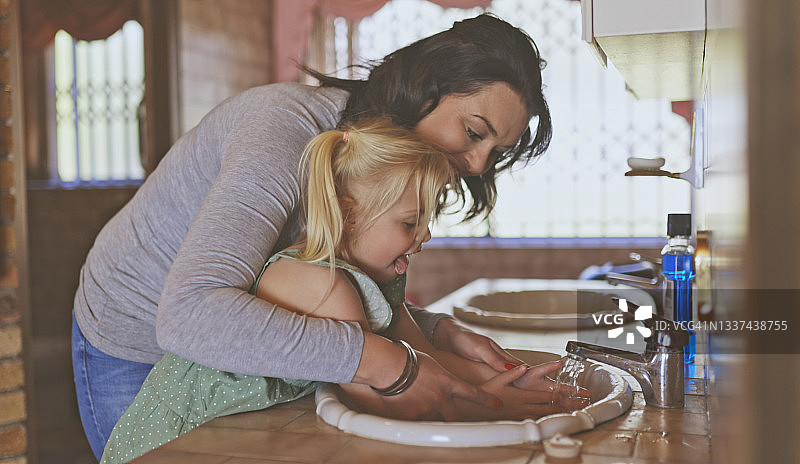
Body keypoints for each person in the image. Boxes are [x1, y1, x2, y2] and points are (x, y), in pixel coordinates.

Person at [72, 13, 554, 460]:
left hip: (227, 361)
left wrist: (436, 331)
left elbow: (325, 288)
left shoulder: (381, 171)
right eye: (474, 132)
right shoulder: (286, 135)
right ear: (423, 89)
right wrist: (388, 363)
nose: (477, 165)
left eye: (497, 152)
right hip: (136, 340)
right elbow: (188, 316)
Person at [100, 119, 576, 463]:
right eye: (411, 222)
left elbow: (421, 355)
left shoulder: (379, 278)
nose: (425, 235)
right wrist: (498, 404)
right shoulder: (321, 283)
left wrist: (510, 376)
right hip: (170, 438)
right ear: (349, 215)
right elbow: (384, 395)